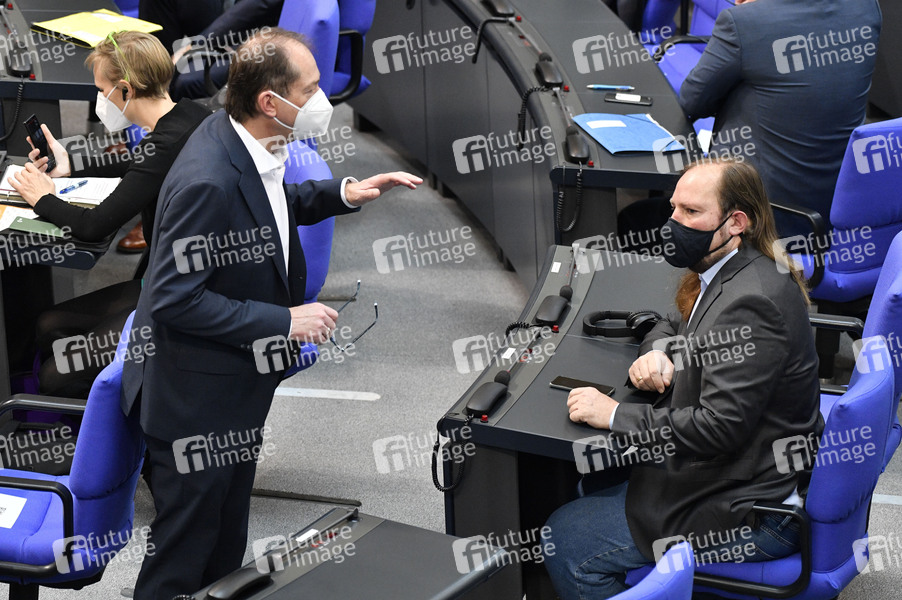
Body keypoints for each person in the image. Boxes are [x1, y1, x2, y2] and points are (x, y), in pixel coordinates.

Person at [120, 27, 422, 599]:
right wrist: (285, 320)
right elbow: (174, 298)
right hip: (194, 402)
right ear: (270, 101)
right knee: (183, 551)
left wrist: (343, 193)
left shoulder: (247, 140)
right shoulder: (208, 180)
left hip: (235, 384)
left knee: (224, 542)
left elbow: (268, 207)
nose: (321, 100)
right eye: (309, 90)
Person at [543, 159, 822, 599]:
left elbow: (719, 428)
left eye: (691, 212)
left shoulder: (752, 304)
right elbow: (674, 321)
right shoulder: (731, 267)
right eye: (674, 208)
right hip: (739, 469)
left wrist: (615, 415)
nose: (673, 223)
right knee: (591, 481)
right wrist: (658, 351)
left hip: (756, 509)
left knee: (565, 540)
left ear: (736, 223)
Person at [8, 31, 212, 398]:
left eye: (103, 91)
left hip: (180, 297)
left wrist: (42, 198)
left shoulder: (164, 145)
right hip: (169, 276)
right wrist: (71, 165)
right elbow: (138, 163)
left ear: (126, 90)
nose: (101, 99)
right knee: (48, 324)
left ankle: (117, 422)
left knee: (55, 375)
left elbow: (92, 226)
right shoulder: (190, 114)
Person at [679, 0, 882, 231]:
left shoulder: (745, 22)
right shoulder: (866, 8)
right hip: (835, 210)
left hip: (758, 214)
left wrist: (758, 10)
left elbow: (692, 101)